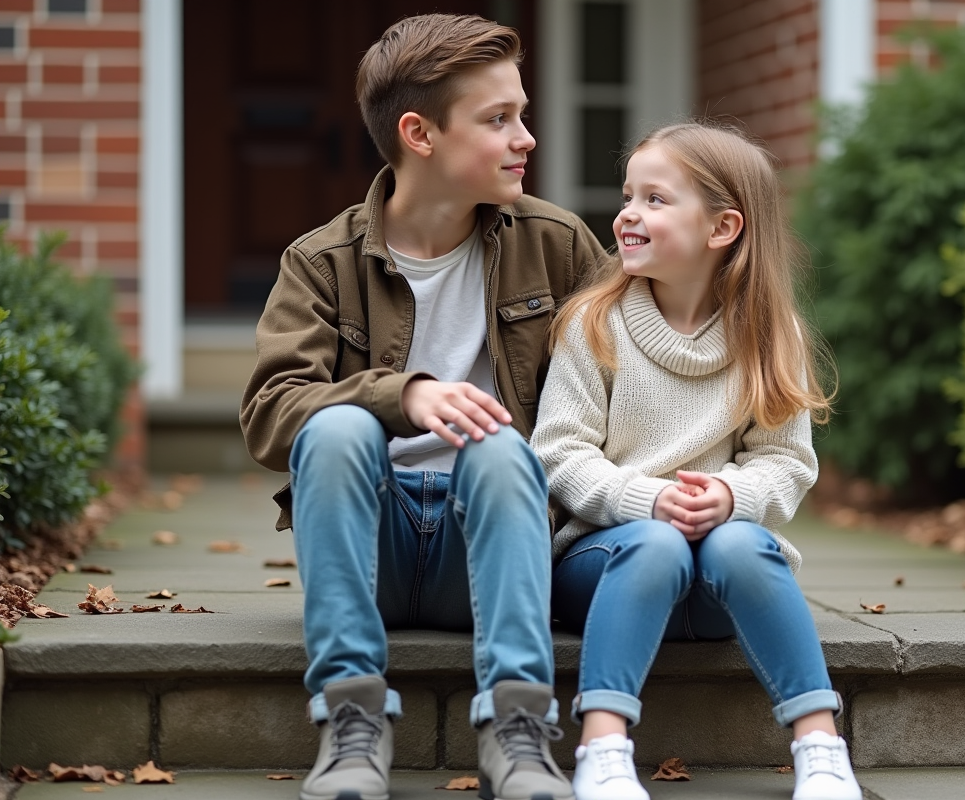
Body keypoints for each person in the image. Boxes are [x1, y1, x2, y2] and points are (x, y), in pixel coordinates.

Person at [240, 14, 606, 800]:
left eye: (523, 114)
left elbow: (631, 376)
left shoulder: (560, 243)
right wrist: (399, 395)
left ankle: (518, 726)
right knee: (335, 425)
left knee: (505, 446)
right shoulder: (320, 261)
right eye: (499, 119)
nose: (527, 138)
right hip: (369, 549)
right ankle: (350, 721)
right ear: (420, 133)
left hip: (495, 551)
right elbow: (271, 412)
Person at [530, 120, 863, 800]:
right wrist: (645, 500)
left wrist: (729, 497)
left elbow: (785, 463)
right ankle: (602, 748)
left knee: (745, 544)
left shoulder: (770, 337)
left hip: (716, 581)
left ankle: (821, 747)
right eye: (628, 196)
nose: (628, 213)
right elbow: (558, 453)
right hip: (606, 570)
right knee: (654, 544)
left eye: (655, 199)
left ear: (722, 229)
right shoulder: (594, 323)